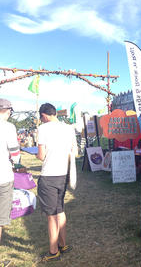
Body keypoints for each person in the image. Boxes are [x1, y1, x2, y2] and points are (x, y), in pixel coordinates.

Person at [36, 103, 77, 262]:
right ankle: (63, 244)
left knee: (51, 215)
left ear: (44, 115)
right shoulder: (68, 128)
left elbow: (41, 155)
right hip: (63, 174)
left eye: (41, 117)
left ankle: (53, 251)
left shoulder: (43, 129)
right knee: (60, 209)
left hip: (49, 175)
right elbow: (74, 151)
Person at [0, 99, 20, 246]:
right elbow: (14, 151)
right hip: (3, 176)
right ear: (8, 111)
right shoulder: (8, 127)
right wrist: (16, 163)